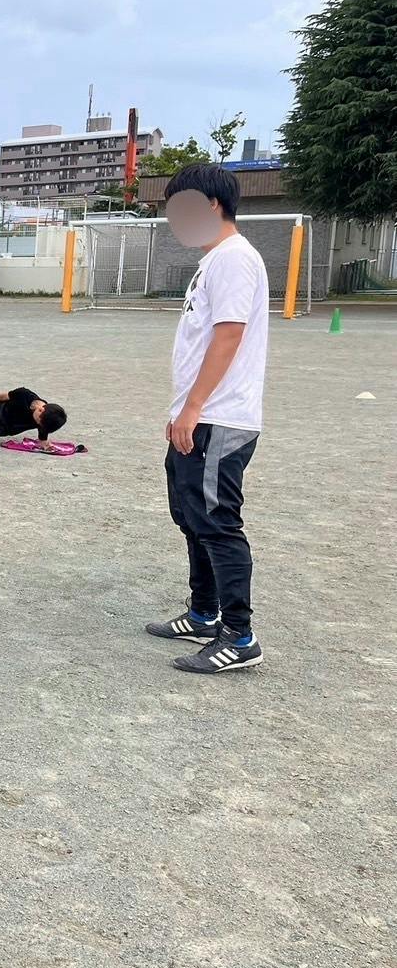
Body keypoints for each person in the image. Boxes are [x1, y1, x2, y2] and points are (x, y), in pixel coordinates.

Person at [146, 163, 268, 673]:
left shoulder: (235, 259)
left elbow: (229, 335)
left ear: (212, 205)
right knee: (192, 517)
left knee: (218, 523)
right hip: (198, 415)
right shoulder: (213, 261)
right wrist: (182, 410)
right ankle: (204, 613)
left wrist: (194, 407)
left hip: (220, 417)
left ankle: (240, 636)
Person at [0, 388, 68, 449]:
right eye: (39, 422)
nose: (38, 425)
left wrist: (44, 443)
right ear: (40, 410)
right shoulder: (24, 395)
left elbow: (43, 433)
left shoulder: (44, 420)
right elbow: (4, 396)